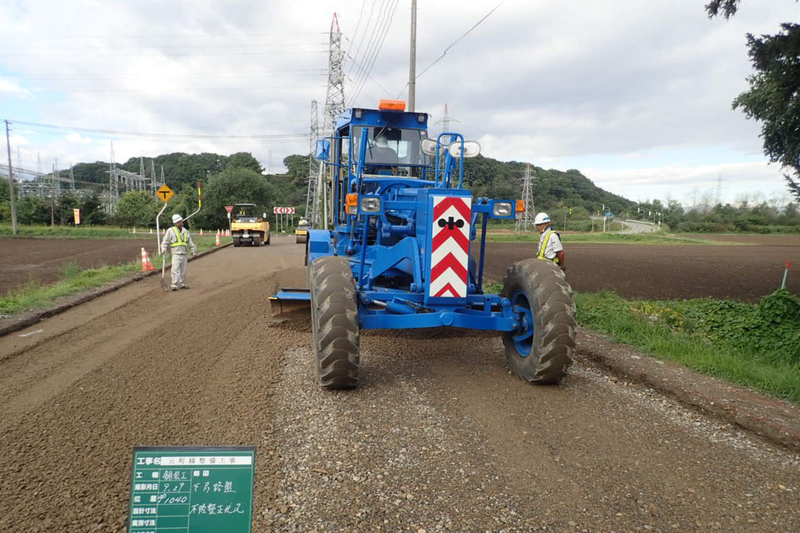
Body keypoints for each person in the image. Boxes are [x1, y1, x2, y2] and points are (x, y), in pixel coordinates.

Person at [161, 213, 197, 291]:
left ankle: (181, 283)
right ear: (175, 223)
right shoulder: (170, 231)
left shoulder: (186, 231)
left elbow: (190, 242)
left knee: (183, 270)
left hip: (184, 253)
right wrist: (163, 248)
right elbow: (165, 241)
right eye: (178, 222)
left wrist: (193, 250)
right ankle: (174, 284)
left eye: (181, 221)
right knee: (175, 269)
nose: (180, 223)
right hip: (175, 253)